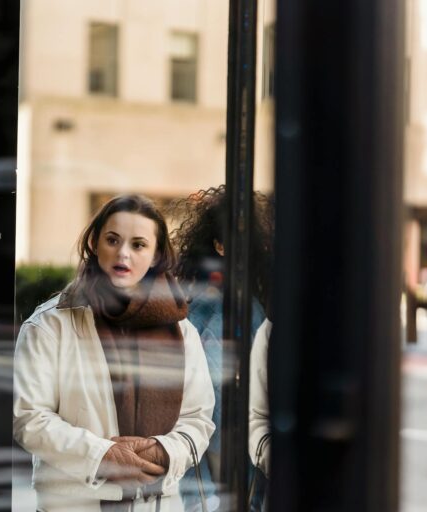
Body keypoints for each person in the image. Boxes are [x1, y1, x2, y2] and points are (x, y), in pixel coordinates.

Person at [14, 194, 215, 511]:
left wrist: (160, 451)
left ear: (156, 254)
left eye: (138, 245)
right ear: (94, 243)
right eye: (113, 240)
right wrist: (101, 455)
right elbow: (29, 418)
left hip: (159, 504)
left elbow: (198, 419)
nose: (123, 253)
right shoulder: (49, 325)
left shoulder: (181, 330)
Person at [170, 186, 274, 511]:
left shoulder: (246, 305)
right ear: (219, 245)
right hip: (217, 430)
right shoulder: (209, 304)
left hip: (228, 433)